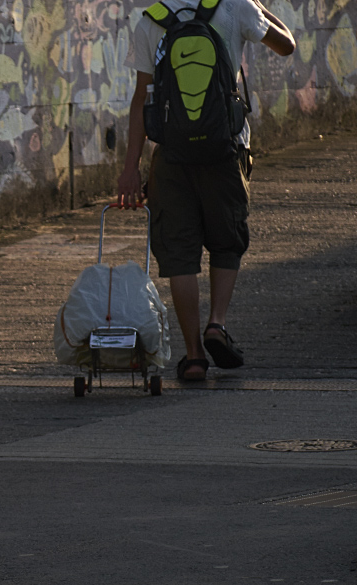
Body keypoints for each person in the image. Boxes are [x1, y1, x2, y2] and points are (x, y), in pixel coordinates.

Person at [117, 0, 295, 381]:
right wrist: (260, 7)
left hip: (172, 154)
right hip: (225, 148)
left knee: (179, 254)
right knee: (226, 239)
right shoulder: (234, 6)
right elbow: (287, 45)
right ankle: (217, 323)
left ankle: (194, 355)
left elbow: (141, 98)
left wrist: (131, 168)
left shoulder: (151, 19)